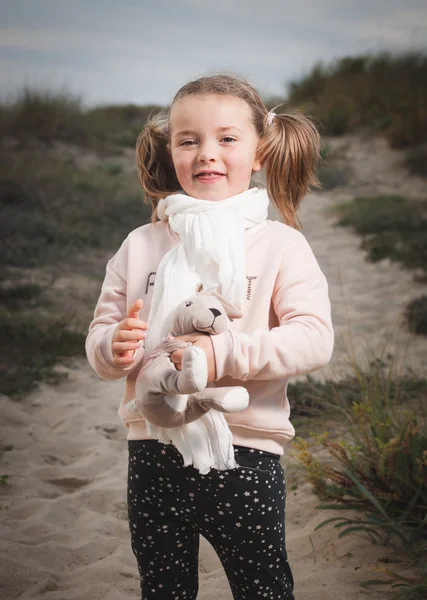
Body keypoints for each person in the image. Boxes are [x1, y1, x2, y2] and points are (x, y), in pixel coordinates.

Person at [86, 74, 334, 600]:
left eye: (227, 138)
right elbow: (100, 338)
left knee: (262, 587)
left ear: (260, 151)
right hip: (152, 450)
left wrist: (220, 351)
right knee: (163, 588)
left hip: (244, 451)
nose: (207, 154)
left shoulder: (280, 245)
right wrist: (115, 347)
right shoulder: (141, 244)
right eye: (189, 139)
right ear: (170, 148)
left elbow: (313, 338)